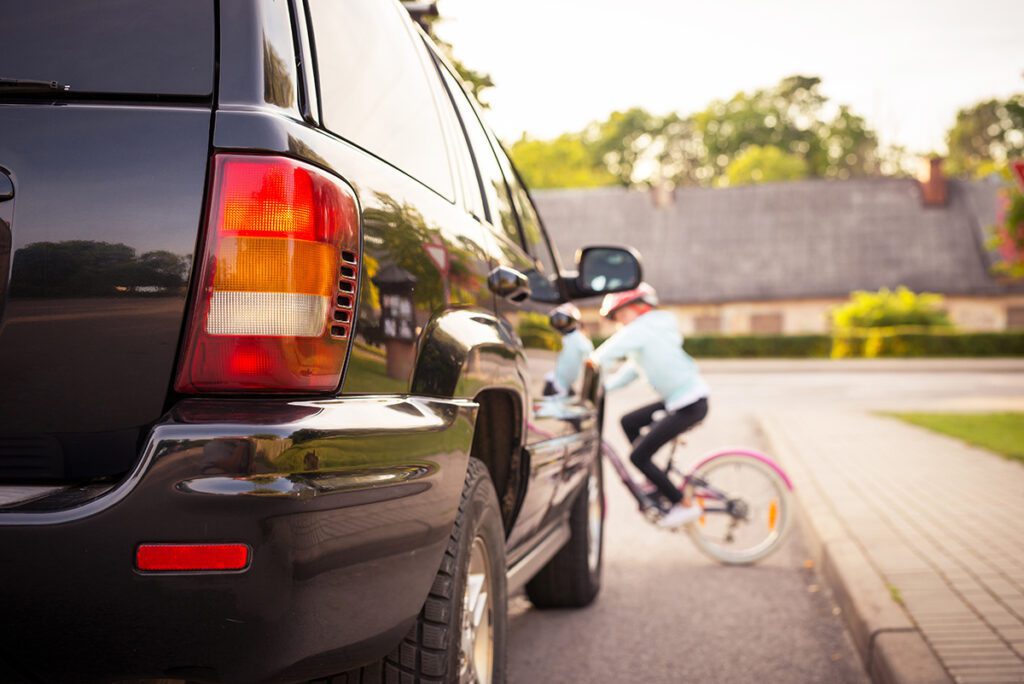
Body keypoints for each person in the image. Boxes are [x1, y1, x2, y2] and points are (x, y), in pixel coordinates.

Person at [590, 283, 709, 528]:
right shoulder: (650, 332)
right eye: (617, 319)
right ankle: (655, 478)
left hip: (689, 404)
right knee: (628, 421)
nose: (621, 322)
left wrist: (590, 364)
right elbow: (631, 371)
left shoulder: (645, 327)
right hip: (678, 400)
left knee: (638, 456)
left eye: (622, 315)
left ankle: (682, 504)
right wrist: (603, 389)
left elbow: (607, 352)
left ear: (640, 308)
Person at [543, 303, 594, 397]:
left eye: (563, 320)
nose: (559, 324)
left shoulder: (579, 340)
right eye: (556, 321)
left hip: (567, 387)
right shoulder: (565, 339)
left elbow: (590, 361)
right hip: (560, 384)